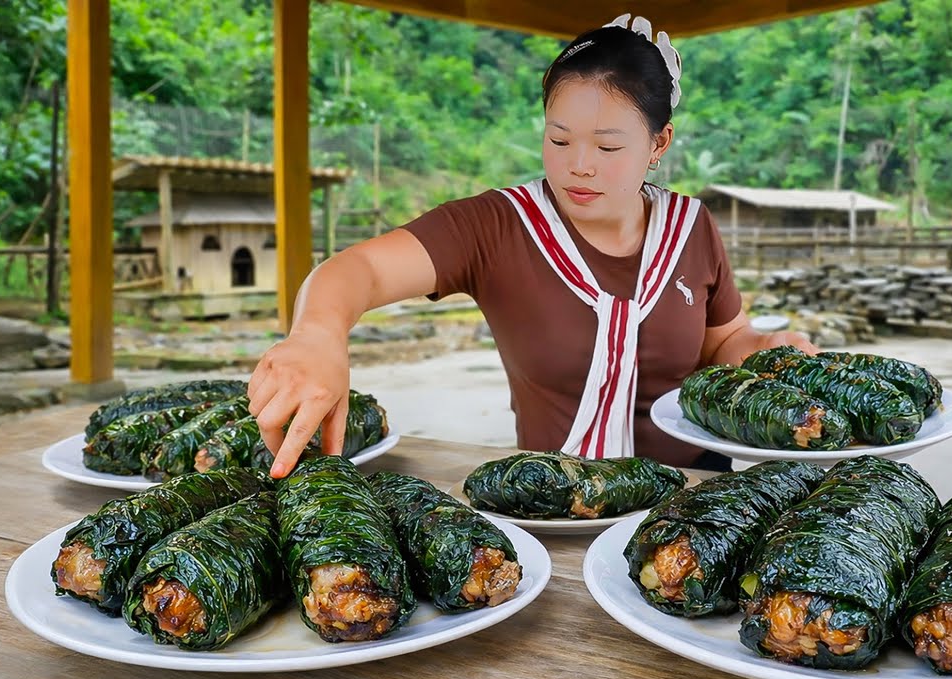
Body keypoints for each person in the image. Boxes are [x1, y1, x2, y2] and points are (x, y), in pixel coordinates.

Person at [248, 14, 816, 479]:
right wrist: (317, 335)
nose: (579, 165)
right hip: (556, 506)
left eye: (609, 146)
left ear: (658, 143)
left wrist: (764, 348)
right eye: (559, 138)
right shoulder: (498, 226)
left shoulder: (692, 225)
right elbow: (359, 270)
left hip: (702, 500)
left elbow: (724, 343)